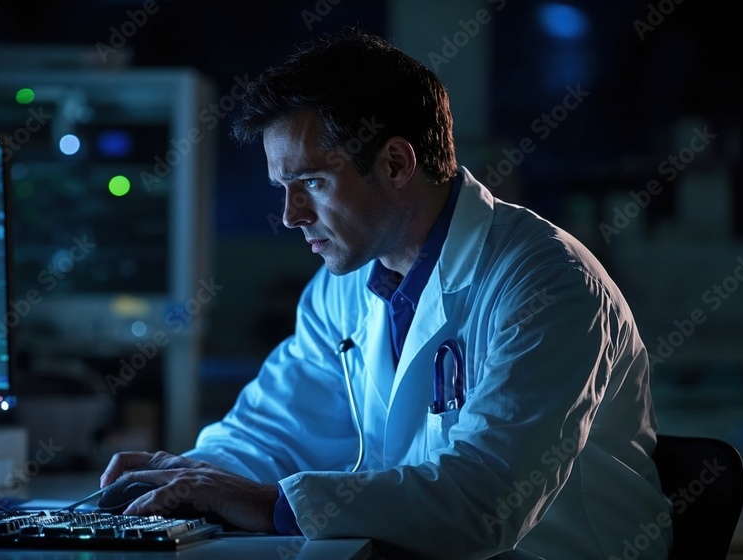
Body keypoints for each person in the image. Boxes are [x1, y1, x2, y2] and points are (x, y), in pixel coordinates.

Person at [101, 31, 671, 559]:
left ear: (397, 163)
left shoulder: (547, 283)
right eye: (284, 189)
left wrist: (267, 504)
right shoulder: (342, 286)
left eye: (313, 184)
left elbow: (486, 500)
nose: (291, 216)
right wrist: (185, 480)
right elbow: (274, 429)